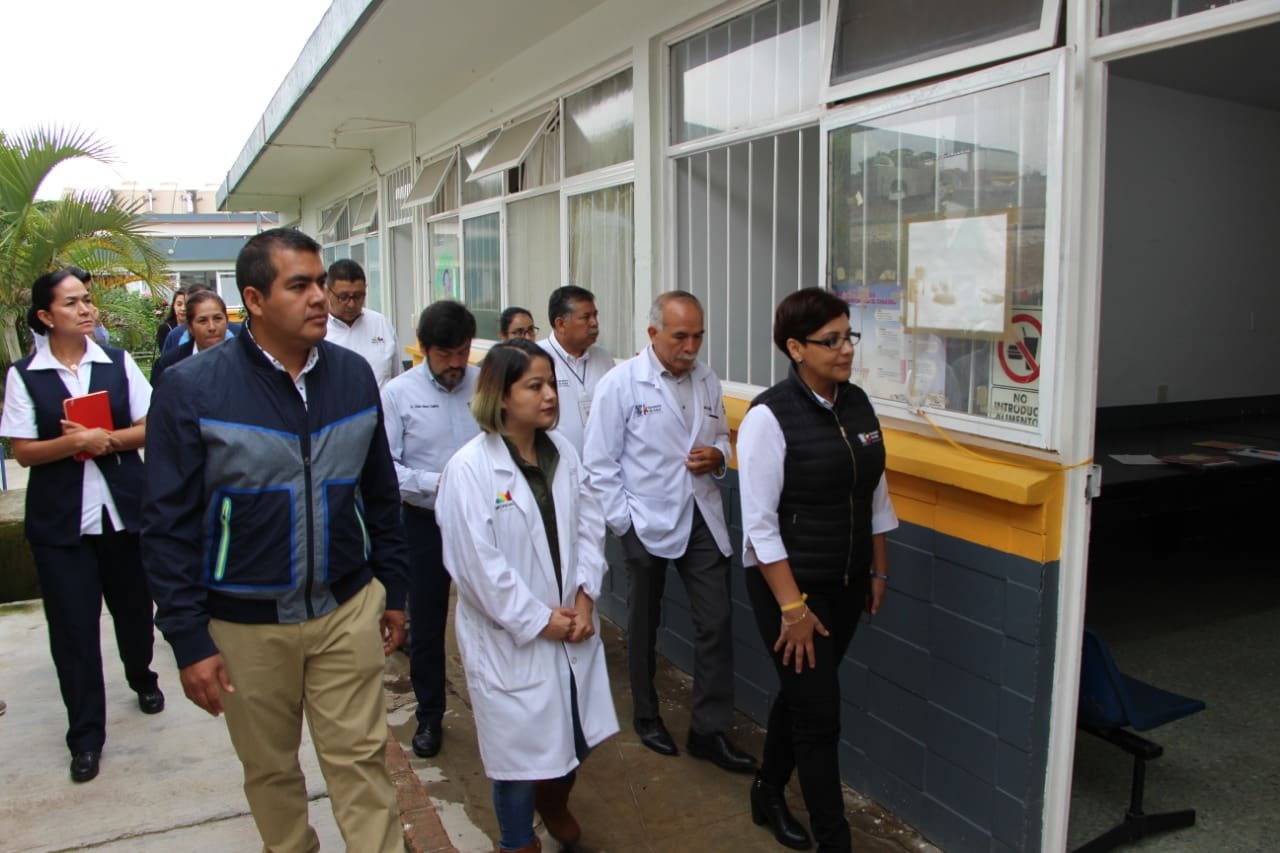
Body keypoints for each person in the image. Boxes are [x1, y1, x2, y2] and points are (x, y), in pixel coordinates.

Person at [141, 228, 410, 852]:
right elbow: (167, 525)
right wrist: (187, 638)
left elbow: (379, 491)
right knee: (270, 770)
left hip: (346, 609)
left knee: (362, 760)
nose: (320, 297)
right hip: (245, 624)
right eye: (300, 285)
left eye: (320, 283)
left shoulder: (353, 376)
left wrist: (392, 588)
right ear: (255, 300)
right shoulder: (192, 388)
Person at [436, 339, 618, 853]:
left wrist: (585, 599)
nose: (550, 396)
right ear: (501, 395)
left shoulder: (564, 454)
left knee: (576, 736)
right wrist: (540, 620)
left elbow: (590, 527)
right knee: (517, 759)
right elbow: (477, 567)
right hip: (511, 637)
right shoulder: (470, 469)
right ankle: (517, 842)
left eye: (551, 384)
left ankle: (554, 801)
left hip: (572, 624)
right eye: (534, 386)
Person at [737, 288, 897, 853]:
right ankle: (835, 840)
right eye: (831, 341)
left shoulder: (857, 403)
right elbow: (759, 526)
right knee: (820, 716)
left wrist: (878, 569)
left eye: (849, 336)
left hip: (847, 580)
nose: (846, 349)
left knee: (805, 695)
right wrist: (792, 608)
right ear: (795, 348)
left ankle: (767, 789)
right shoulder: (768, 416)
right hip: (791, 588)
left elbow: (874, 488)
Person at [1, 267, 162, 785]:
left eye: (87, 300)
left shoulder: (116, 363)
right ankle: (86, 736)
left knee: (134, 612)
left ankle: (142, 675)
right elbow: (24, 451)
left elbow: (150, 426)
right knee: (73, 632)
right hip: (61, 525)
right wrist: (73, 443)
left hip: (123, 516)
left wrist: (105, 440)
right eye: (72, 303)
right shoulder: (25, 375)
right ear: (46, 316)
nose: (86, 309)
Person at [582, 290, 755, 773]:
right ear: (653, 333)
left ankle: (708, 731)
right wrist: (626, 526)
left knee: (715, 622)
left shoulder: (706, 379)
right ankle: (646, 715)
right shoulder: (621, 384)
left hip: (700, 514)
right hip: (645, 518)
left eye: (698, 336)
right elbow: (598, 464)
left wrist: (718, 456)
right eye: (681, 336)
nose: (691, 347)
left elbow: (721, 438)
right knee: (644, 622)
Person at [380, 300, 479, 759]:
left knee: (492, 614)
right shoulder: (398, 394)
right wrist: (440, 484)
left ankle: (498, 712)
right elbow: (388, 468)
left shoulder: (485, 383)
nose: (456, 363)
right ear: (423, 348)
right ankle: (430, 714)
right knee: (427, 621)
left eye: (462, 352)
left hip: (482, 522)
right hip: (424, 522)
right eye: (445, 354)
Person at [539, 285, 613, 455]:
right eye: (586, 317)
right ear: (560, 324)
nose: (595, 323)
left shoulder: (604, 359)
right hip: (555, 462)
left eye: (595, 315)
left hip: (601, 463)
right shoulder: (536, 358)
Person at [325, 258, 402, 387]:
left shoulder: (380, 324)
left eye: (358, 296)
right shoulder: (318, 332)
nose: (351, 304)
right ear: (327, 293)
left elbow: (398, 379)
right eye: (343, 297)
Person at [149, 290, 230, 388]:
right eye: (202, 320)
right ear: (190, 327)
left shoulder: (243, 360)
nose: (212, 327)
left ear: (227, 321)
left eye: (217, 318)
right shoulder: (168, 366)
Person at [154, 287, 187, 353]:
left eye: (187, 304)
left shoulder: (197, 328)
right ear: (173, 306)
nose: (183, 308)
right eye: (179, 304)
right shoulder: (165, 329)